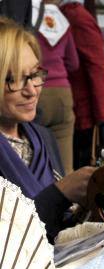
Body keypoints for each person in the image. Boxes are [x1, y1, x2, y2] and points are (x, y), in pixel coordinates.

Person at [0, 17, 93, 241]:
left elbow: (56, 225)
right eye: (13, 79)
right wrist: (61, 193)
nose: (31, 91)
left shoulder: (41, 136)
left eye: (33, 75)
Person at [58, 0, 104, 169]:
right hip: (87, 107)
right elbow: (97, 66)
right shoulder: (74, 15)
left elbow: (96, 66)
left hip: (87, 108)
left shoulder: (72, 15)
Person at [34, 0, 79, 173]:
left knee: (37, 161)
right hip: (63, 93)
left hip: (35, 92)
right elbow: (74, 63)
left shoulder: (29, 16)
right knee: (65, 164)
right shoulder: (63, 21)